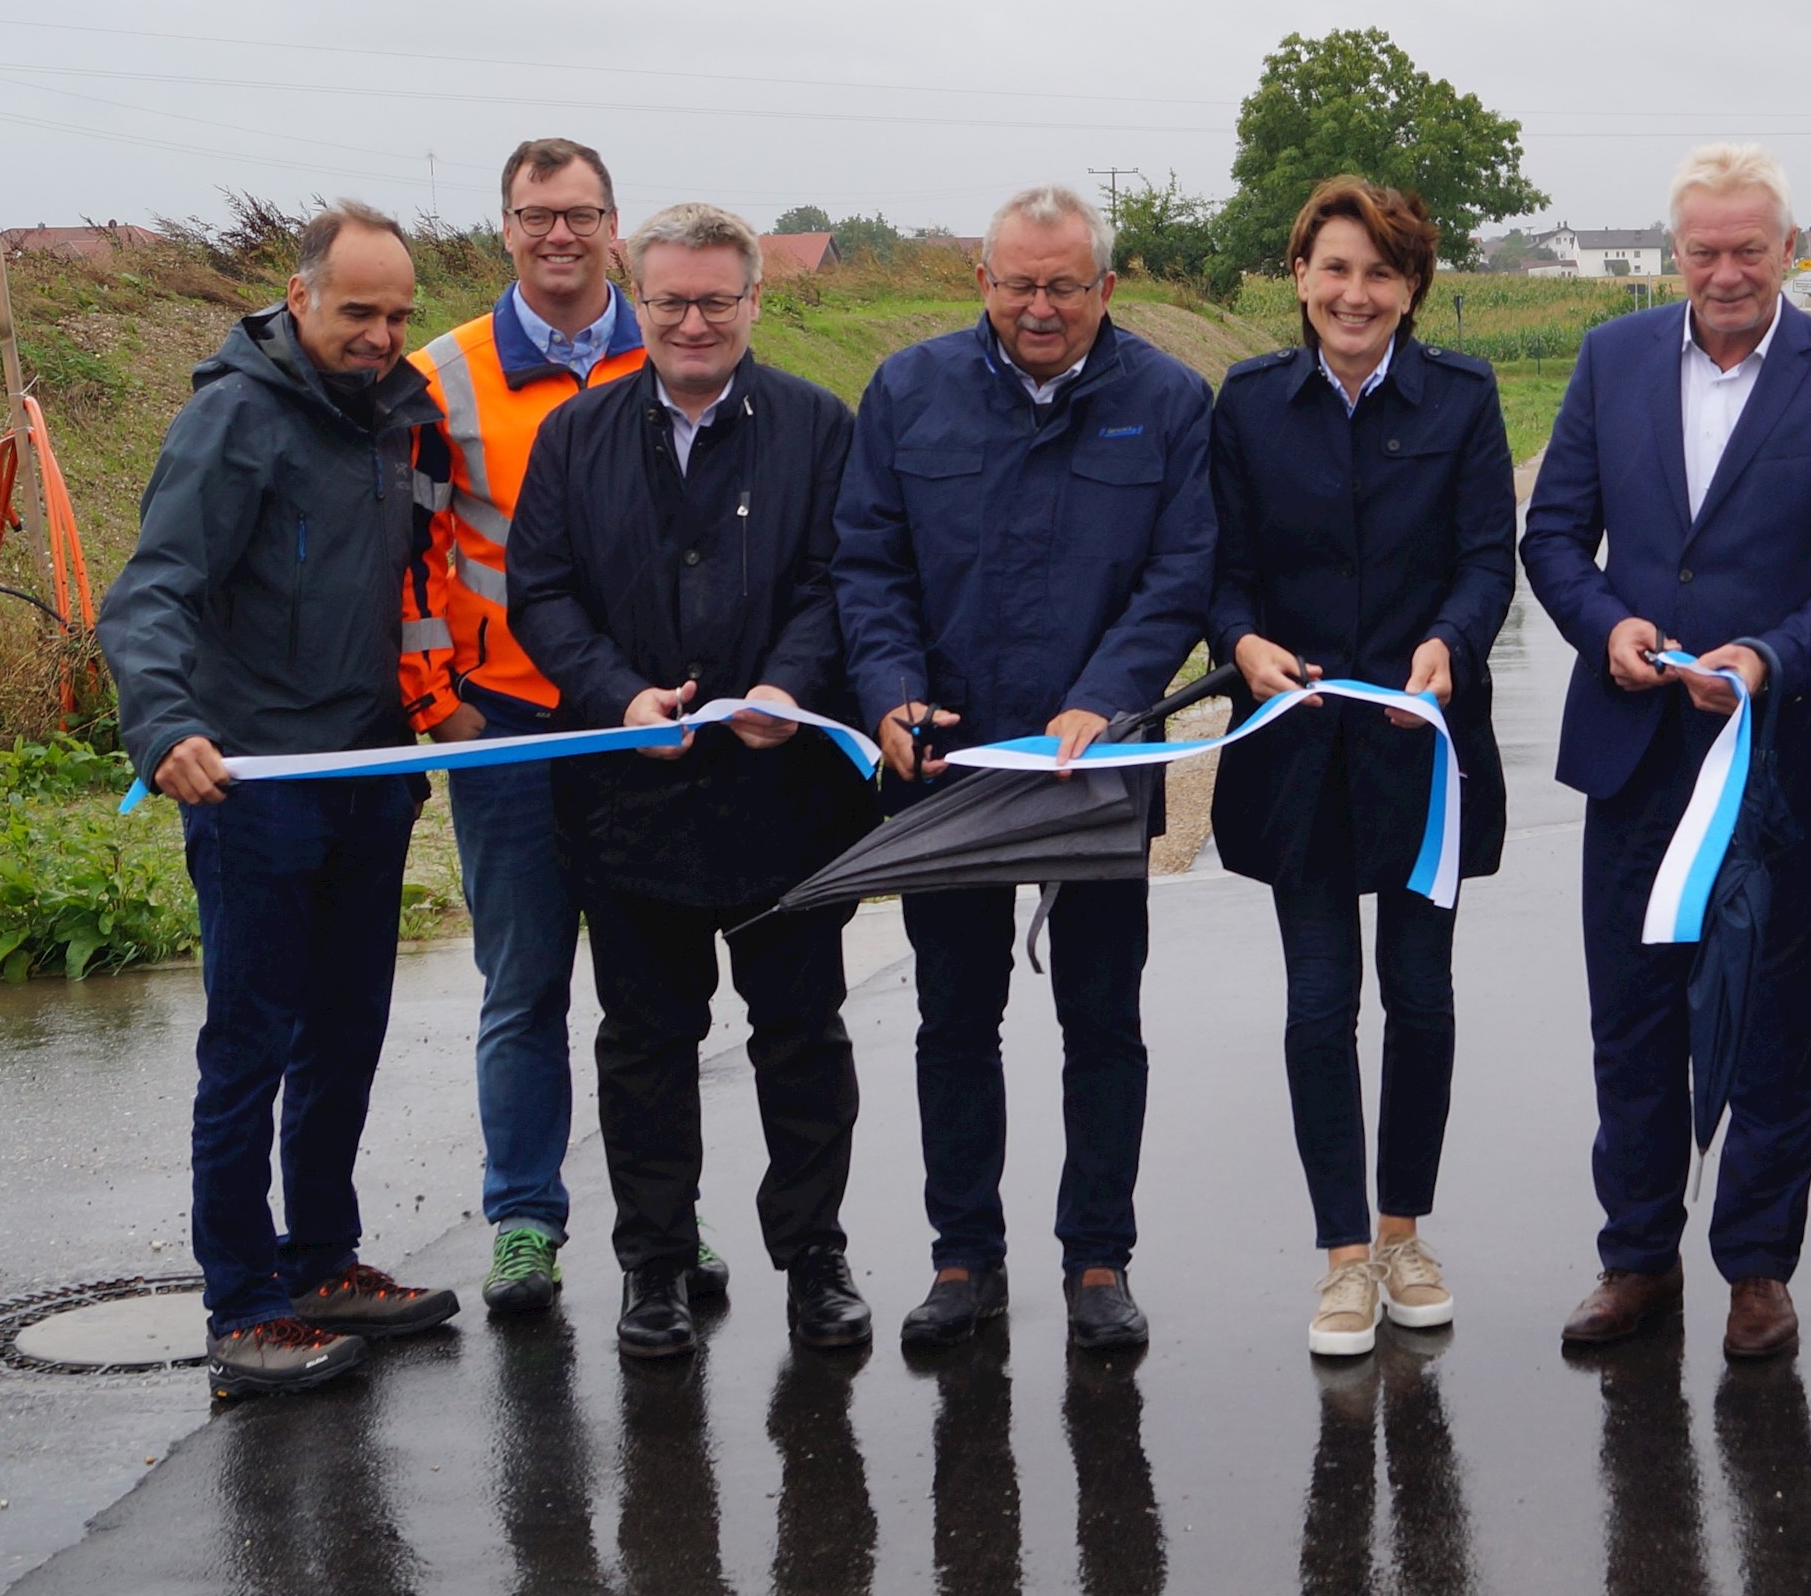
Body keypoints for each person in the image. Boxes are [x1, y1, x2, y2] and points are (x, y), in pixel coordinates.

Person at [1520, 143, 1811, 1361]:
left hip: (1785, 758)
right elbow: (1551, 540)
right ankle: (1635, 1256)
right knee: (1631, 1021)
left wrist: (1765, 658)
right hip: (1636, 749)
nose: (1727, 270)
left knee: (1783, 1022)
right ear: (1675, 252)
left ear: (1791, 251)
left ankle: (1755, 1267)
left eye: (1750, 248)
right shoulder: (1610, 359)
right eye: (1705, 249)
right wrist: (1608, 628)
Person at [836, 185, 1215, 1354]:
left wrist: (1103, 701)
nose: (1038, 308)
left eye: (1062, 285)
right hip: (947, 758)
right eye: (1017, 284)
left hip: (1094, 761)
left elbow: (1179, 574)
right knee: (954, 1018)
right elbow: (867, 560)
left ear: (1104, 286)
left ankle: (1099, 1258)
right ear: (982, 283)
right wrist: (891, 690)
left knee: (1102, 1018)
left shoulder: (1166, 402)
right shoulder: (909, 393)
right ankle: (964, 1259)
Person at [103, 200, 473, 1396]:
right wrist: (166, 726)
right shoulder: (234, 420)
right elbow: (153, 590)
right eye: (358, 311)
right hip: (257, 783)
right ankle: (245, 1303)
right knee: (249, 1045)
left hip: (370, 776)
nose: (381, 334)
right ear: (301, 297)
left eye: (399, 313)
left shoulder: (399, 421)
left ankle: (322, 1261)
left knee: (347, 1035)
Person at [503, 202, 881, 1362]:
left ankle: (814, 1256)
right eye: (670, 299)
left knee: (803, 1036)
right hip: (631, 804)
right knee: (644, 1042)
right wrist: (615, 696)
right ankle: (654, 1266)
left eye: (718, 299)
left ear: (755, 302)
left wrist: (790, 682)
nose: (693, 321)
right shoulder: (576, 438)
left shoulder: (820, 429)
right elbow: (542, 594)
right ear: (638, 293)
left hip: (786, 801)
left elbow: (844, 576)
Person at [1205, 177, 1516, 1359]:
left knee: (1422, 1000)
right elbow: (1219, 569)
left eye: (1381, 273)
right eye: (1335, 268)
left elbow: (1489, 556)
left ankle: (1403, 1233)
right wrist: (1238, 642)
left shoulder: (1463, 397)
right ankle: (1342, 1258)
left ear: (1411, 289)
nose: (1355, 292)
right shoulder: (1243, 405)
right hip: (1296, 754)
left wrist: (1452, 641)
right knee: (1320, 1004)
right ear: (1300, 276)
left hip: (1420, 748)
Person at [409, 136, 653, 1326]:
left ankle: (666, 1210)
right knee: (523, 986)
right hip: (505, 728)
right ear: (504, 228)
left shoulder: (671, 347)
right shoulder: (438, 376)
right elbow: (410, 558)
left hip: (642, 725)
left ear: (616, 225)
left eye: (581, 215)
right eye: (536, 215)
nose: (560, 236)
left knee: (655, 982)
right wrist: (443, 705)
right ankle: (521, 1220)